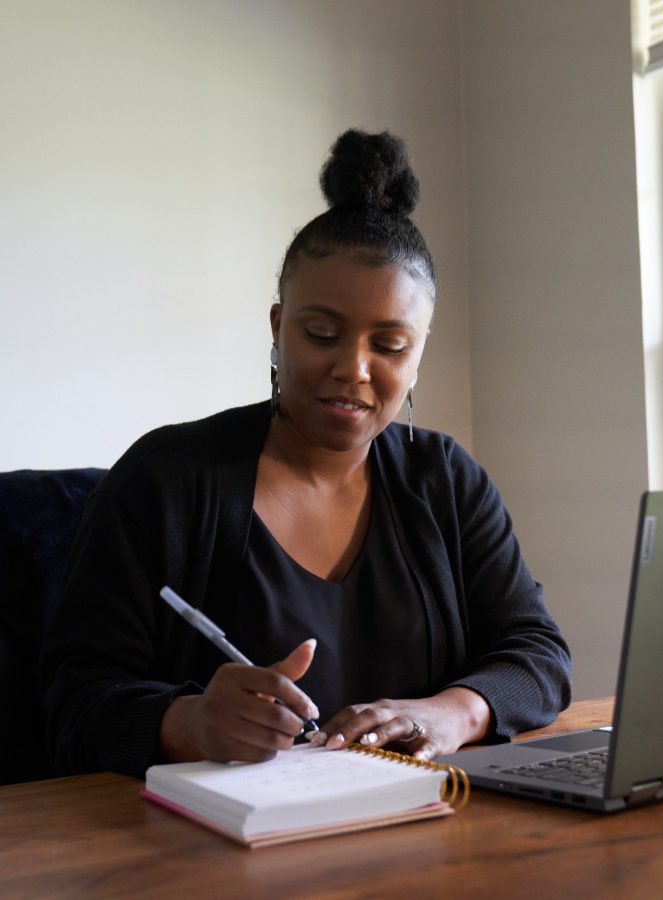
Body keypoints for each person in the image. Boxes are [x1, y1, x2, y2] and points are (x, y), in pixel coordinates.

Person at [40, 129, 572, 777]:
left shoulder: (448, 481)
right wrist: (191, 722)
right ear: (277, 327)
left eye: (390, 345)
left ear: (419, 353)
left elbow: (538, 654)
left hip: (422, 834)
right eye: (322, 333)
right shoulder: (165, 480)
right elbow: (71, 702)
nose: (353, 368)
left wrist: (447, 714)